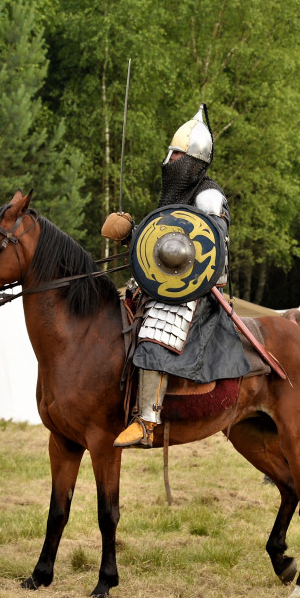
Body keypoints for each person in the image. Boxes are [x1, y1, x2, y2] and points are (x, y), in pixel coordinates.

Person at [103, 104, 250, 448]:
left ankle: (147, 420)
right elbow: (165, 242)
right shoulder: (175, 196)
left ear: (191, 161)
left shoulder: (209, 197)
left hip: (194, 290)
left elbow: (210, 251)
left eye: (175, 155)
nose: (167, 161)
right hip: (164, 286)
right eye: (170, 154)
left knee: (155, 332)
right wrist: (134, 234)